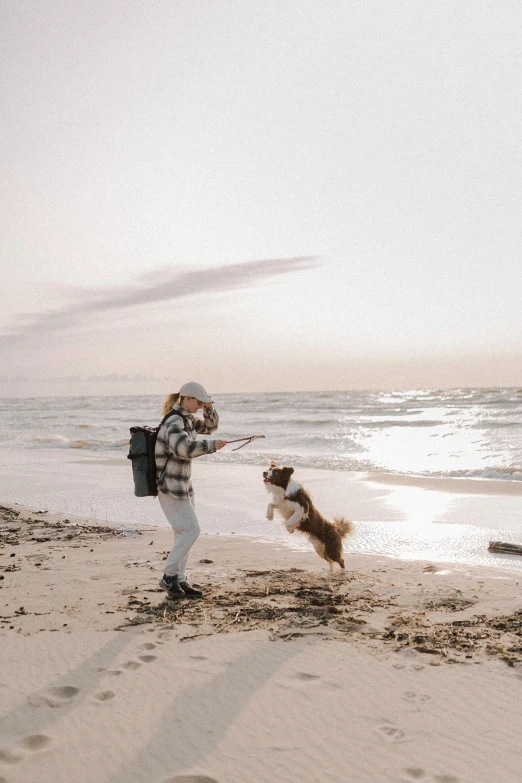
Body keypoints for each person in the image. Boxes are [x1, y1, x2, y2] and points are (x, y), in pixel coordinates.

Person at [155, 381, 226, 599]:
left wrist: (208, 407)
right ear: (187, 399)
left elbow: (211, 427)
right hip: (170, 486)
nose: (199, 406)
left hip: (183, 485)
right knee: (191, 531)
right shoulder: (175, 422)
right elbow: (184, 450)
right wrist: (213, 446)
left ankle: (179, 579)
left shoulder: (187, 419)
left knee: (182, 533)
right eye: (198, 401)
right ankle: (169, 577)